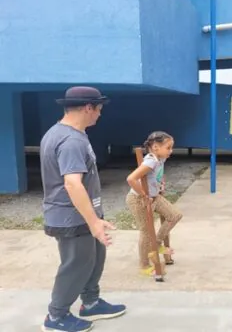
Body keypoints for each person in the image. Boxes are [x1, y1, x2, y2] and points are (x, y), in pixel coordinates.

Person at [40, 86, 126, 332]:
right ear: (88, 108)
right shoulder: (70, 141)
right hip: (71, 217)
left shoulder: (68, 132)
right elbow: (72, 183)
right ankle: (56, 317)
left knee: (94, 259)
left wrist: (96, 217)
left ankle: (90, 302)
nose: (99, 114)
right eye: (98, 109)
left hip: (84, 214)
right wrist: (93, 222)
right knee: (76, 264)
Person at [125, 131, 183, 276]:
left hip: (154, 196)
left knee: (174, 215)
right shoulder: (151, 161)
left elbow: (159, 174)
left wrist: (161, 184)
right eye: (168, 147)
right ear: (156, 147)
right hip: (139, 200)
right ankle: (144, 266)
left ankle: (156, 245)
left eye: (171, 147)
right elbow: (131, 179)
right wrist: (144, 195)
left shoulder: (160, 159)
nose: (171, 151)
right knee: (145, 231)